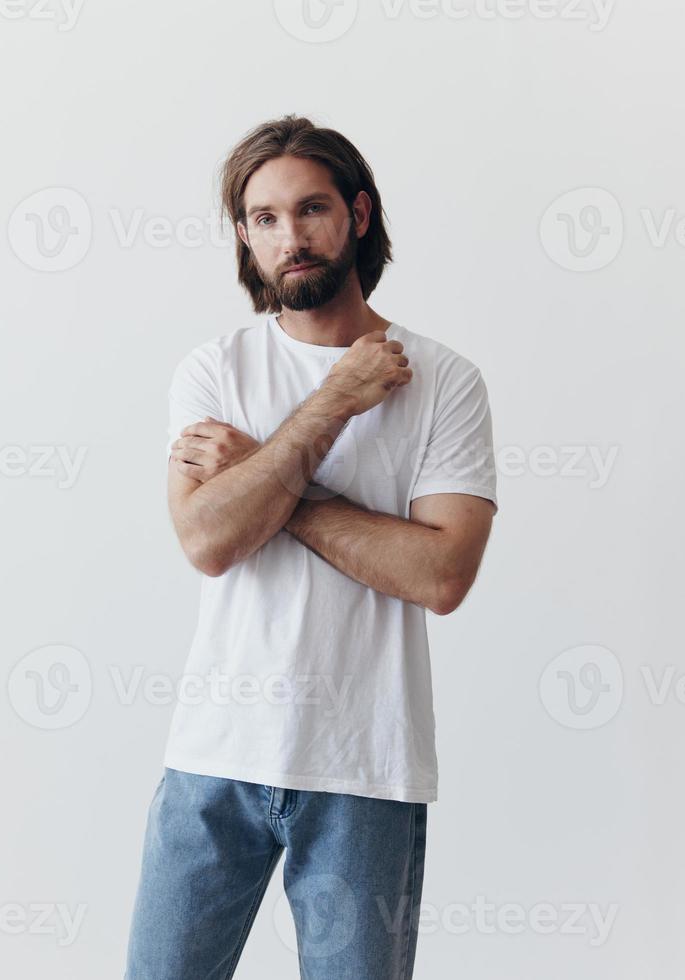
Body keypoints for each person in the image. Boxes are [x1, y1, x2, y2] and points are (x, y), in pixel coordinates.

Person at [124, 115, 499, 980]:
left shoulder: (444, 380)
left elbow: (441, 575)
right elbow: (210, 540)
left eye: (311, 209)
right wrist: (333, 403)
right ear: (245, 237)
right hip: (213, 756)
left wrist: (263, 476)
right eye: (262, 219)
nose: (289, 237)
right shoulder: (214, 370)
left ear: (359, 216)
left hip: (365, 764)